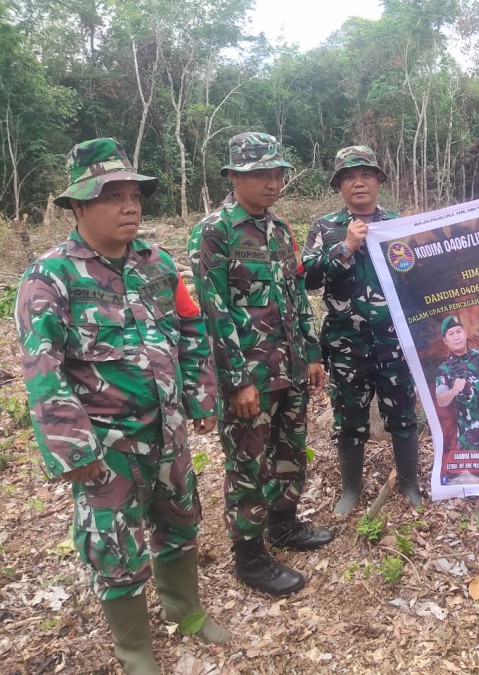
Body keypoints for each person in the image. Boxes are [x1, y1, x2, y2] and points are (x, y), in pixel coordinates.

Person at [16, 138, 230, 674]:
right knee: (113, 545)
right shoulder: (50, 278)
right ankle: (135, 651)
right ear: (79, 206)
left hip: (167, 430)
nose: (130, 206)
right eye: (113, 196)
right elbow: (44, 371)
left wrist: (200, 393)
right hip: (105, 444)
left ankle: (187, 612)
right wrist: (73, 450)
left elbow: (190, 323)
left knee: (180, 520)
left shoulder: (157, 262)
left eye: (134, 195)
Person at [188, 132, 333, 597]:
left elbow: (296, 295)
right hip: (250, 375)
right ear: (234, 177)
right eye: (261, 174)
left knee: (290, 451)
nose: (272, 183)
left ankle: (284, 525)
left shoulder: (280, 229)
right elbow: (215, 310)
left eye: (277, 174)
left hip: (288, 367)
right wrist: (236, 381)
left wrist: (310, 353)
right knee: (248, 462)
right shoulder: (215, 231)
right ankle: (249, 557)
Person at [303, 145, 423, 514]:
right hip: (345, 343)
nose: (359, 182)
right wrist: (346, 247)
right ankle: (350, 492)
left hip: (394, 343)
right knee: (349, 418)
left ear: (378, 181)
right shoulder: (324, 228)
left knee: (402, 413)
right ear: (340, 185)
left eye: (366, 175)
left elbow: (417, 278)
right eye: (350, 177)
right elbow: (307, 277)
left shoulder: (398, 224)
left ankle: (409, 485)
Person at [435, 315, 479, 450]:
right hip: (469, 438)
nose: (456, 337)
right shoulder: (444, 369)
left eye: (459, 331)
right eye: (451, 334)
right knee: (473, 471)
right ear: (445, 341)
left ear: (465, 333)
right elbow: (441, 401)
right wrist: (453, 391)